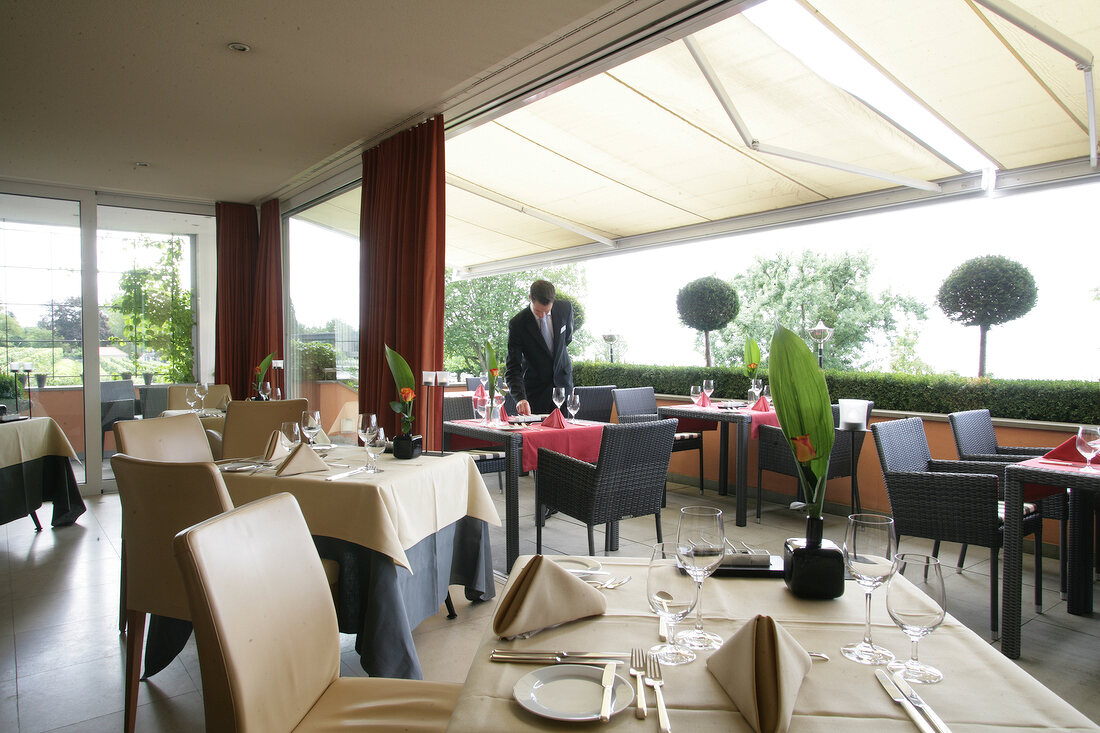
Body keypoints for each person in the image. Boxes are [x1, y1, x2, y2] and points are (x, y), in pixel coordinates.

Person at [506, 279, 574, 415]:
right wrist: (520, 398)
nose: (542, 316)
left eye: (546, 312)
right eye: (538, 311)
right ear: (530, 298)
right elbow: (513, 367)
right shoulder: (518, 324)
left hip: (563, 388)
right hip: (535, 393)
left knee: (566, 434)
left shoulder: (565, 309)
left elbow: (567, 339)